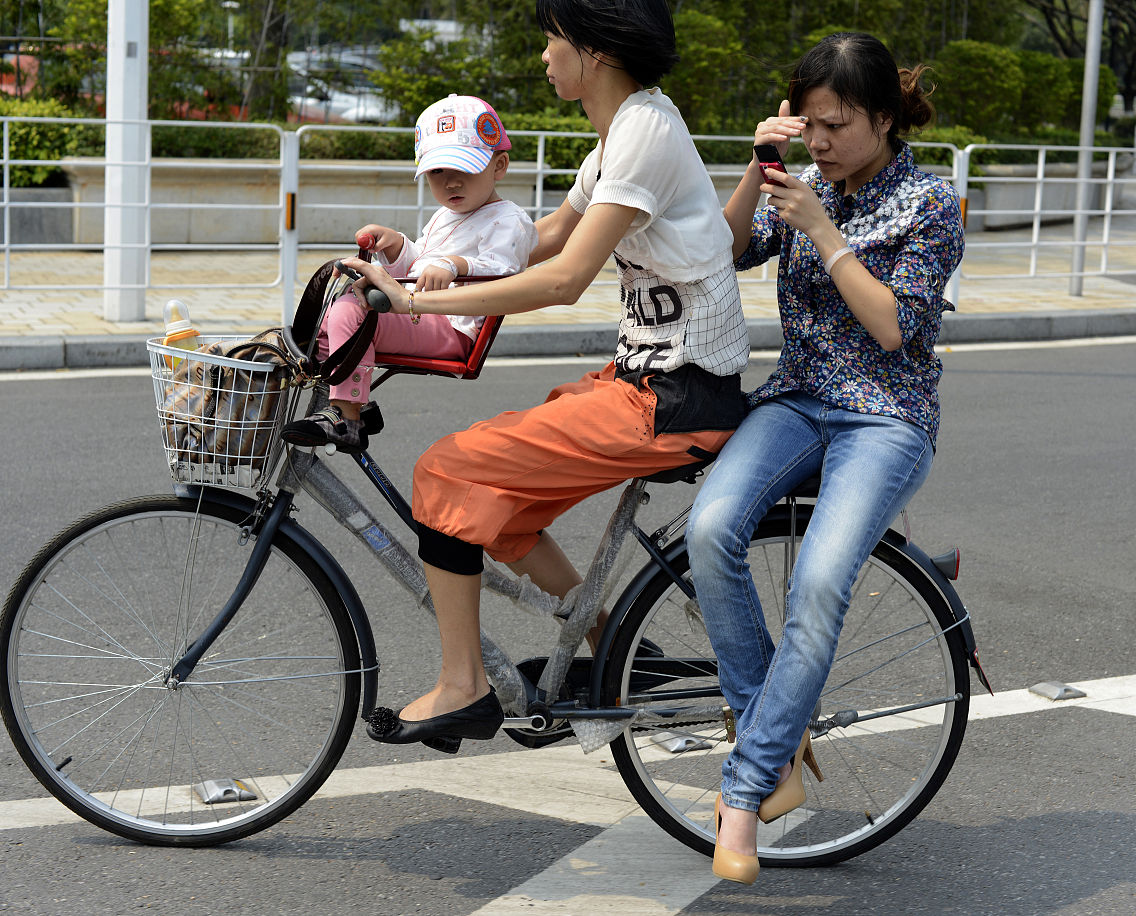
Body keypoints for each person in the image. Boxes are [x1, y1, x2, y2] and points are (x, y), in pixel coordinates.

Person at [343, 0, 750, 754]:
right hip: (648, 380)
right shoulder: (618, 140)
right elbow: (544, 237)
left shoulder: (645, 133)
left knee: (445, 472)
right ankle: (613, 641)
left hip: (673, 397)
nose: (544, 55)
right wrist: (420, 258)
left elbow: (564, 279)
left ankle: (463, 686)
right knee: (499, 512)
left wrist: (413, 302)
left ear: (596, 49)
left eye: (552, 38)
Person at [684, 32, 966, 885]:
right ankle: (775, 732)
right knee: (709, 530)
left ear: (882, 118)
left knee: (817, 583)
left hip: (887, 417)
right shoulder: (802, 181)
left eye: (835, 125)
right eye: (807, 125)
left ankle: (746, 788)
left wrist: (822, 228)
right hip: (798, 399)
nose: (820, 142)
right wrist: (757, 167)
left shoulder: (929, 202)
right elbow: (725, 251)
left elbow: (895, 328)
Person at [281, 94, 538, 452]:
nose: (451, 182)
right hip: (422, 312)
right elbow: (419, 269)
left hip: (453, 325)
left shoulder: (509, 220)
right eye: (437, 172)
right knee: (324, 323)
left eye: (465, 168)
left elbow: (504, 274)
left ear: (499, 166)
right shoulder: (445, 215)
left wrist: (456, 265)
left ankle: (347, 418)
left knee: (352, 313)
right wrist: (396, 246)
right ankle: (358, 405)